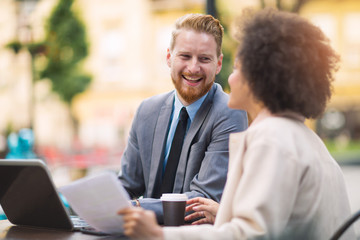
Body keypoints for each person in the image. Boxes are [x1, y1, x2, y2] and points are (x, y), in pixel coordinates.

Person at [118, 8, 356, 240]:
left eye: (238, 68)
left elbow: (251, 235)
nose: (230, 78)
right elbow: (276, 224)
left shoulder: (271, 138)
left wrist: (157, 235)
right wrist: (223, 215)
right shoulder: (302, 138)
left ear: (259, 79)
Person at [118, 13, 248, 223]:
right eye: (185, 56)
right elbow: (127, 185)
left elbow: (202, 201)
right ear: (169, 57)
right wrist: (98, 202)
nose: (193, 68)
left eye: (204, 58)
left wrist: (137, 206)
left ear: (218, 63)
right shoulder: (146, 111)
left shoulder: (230, 112)